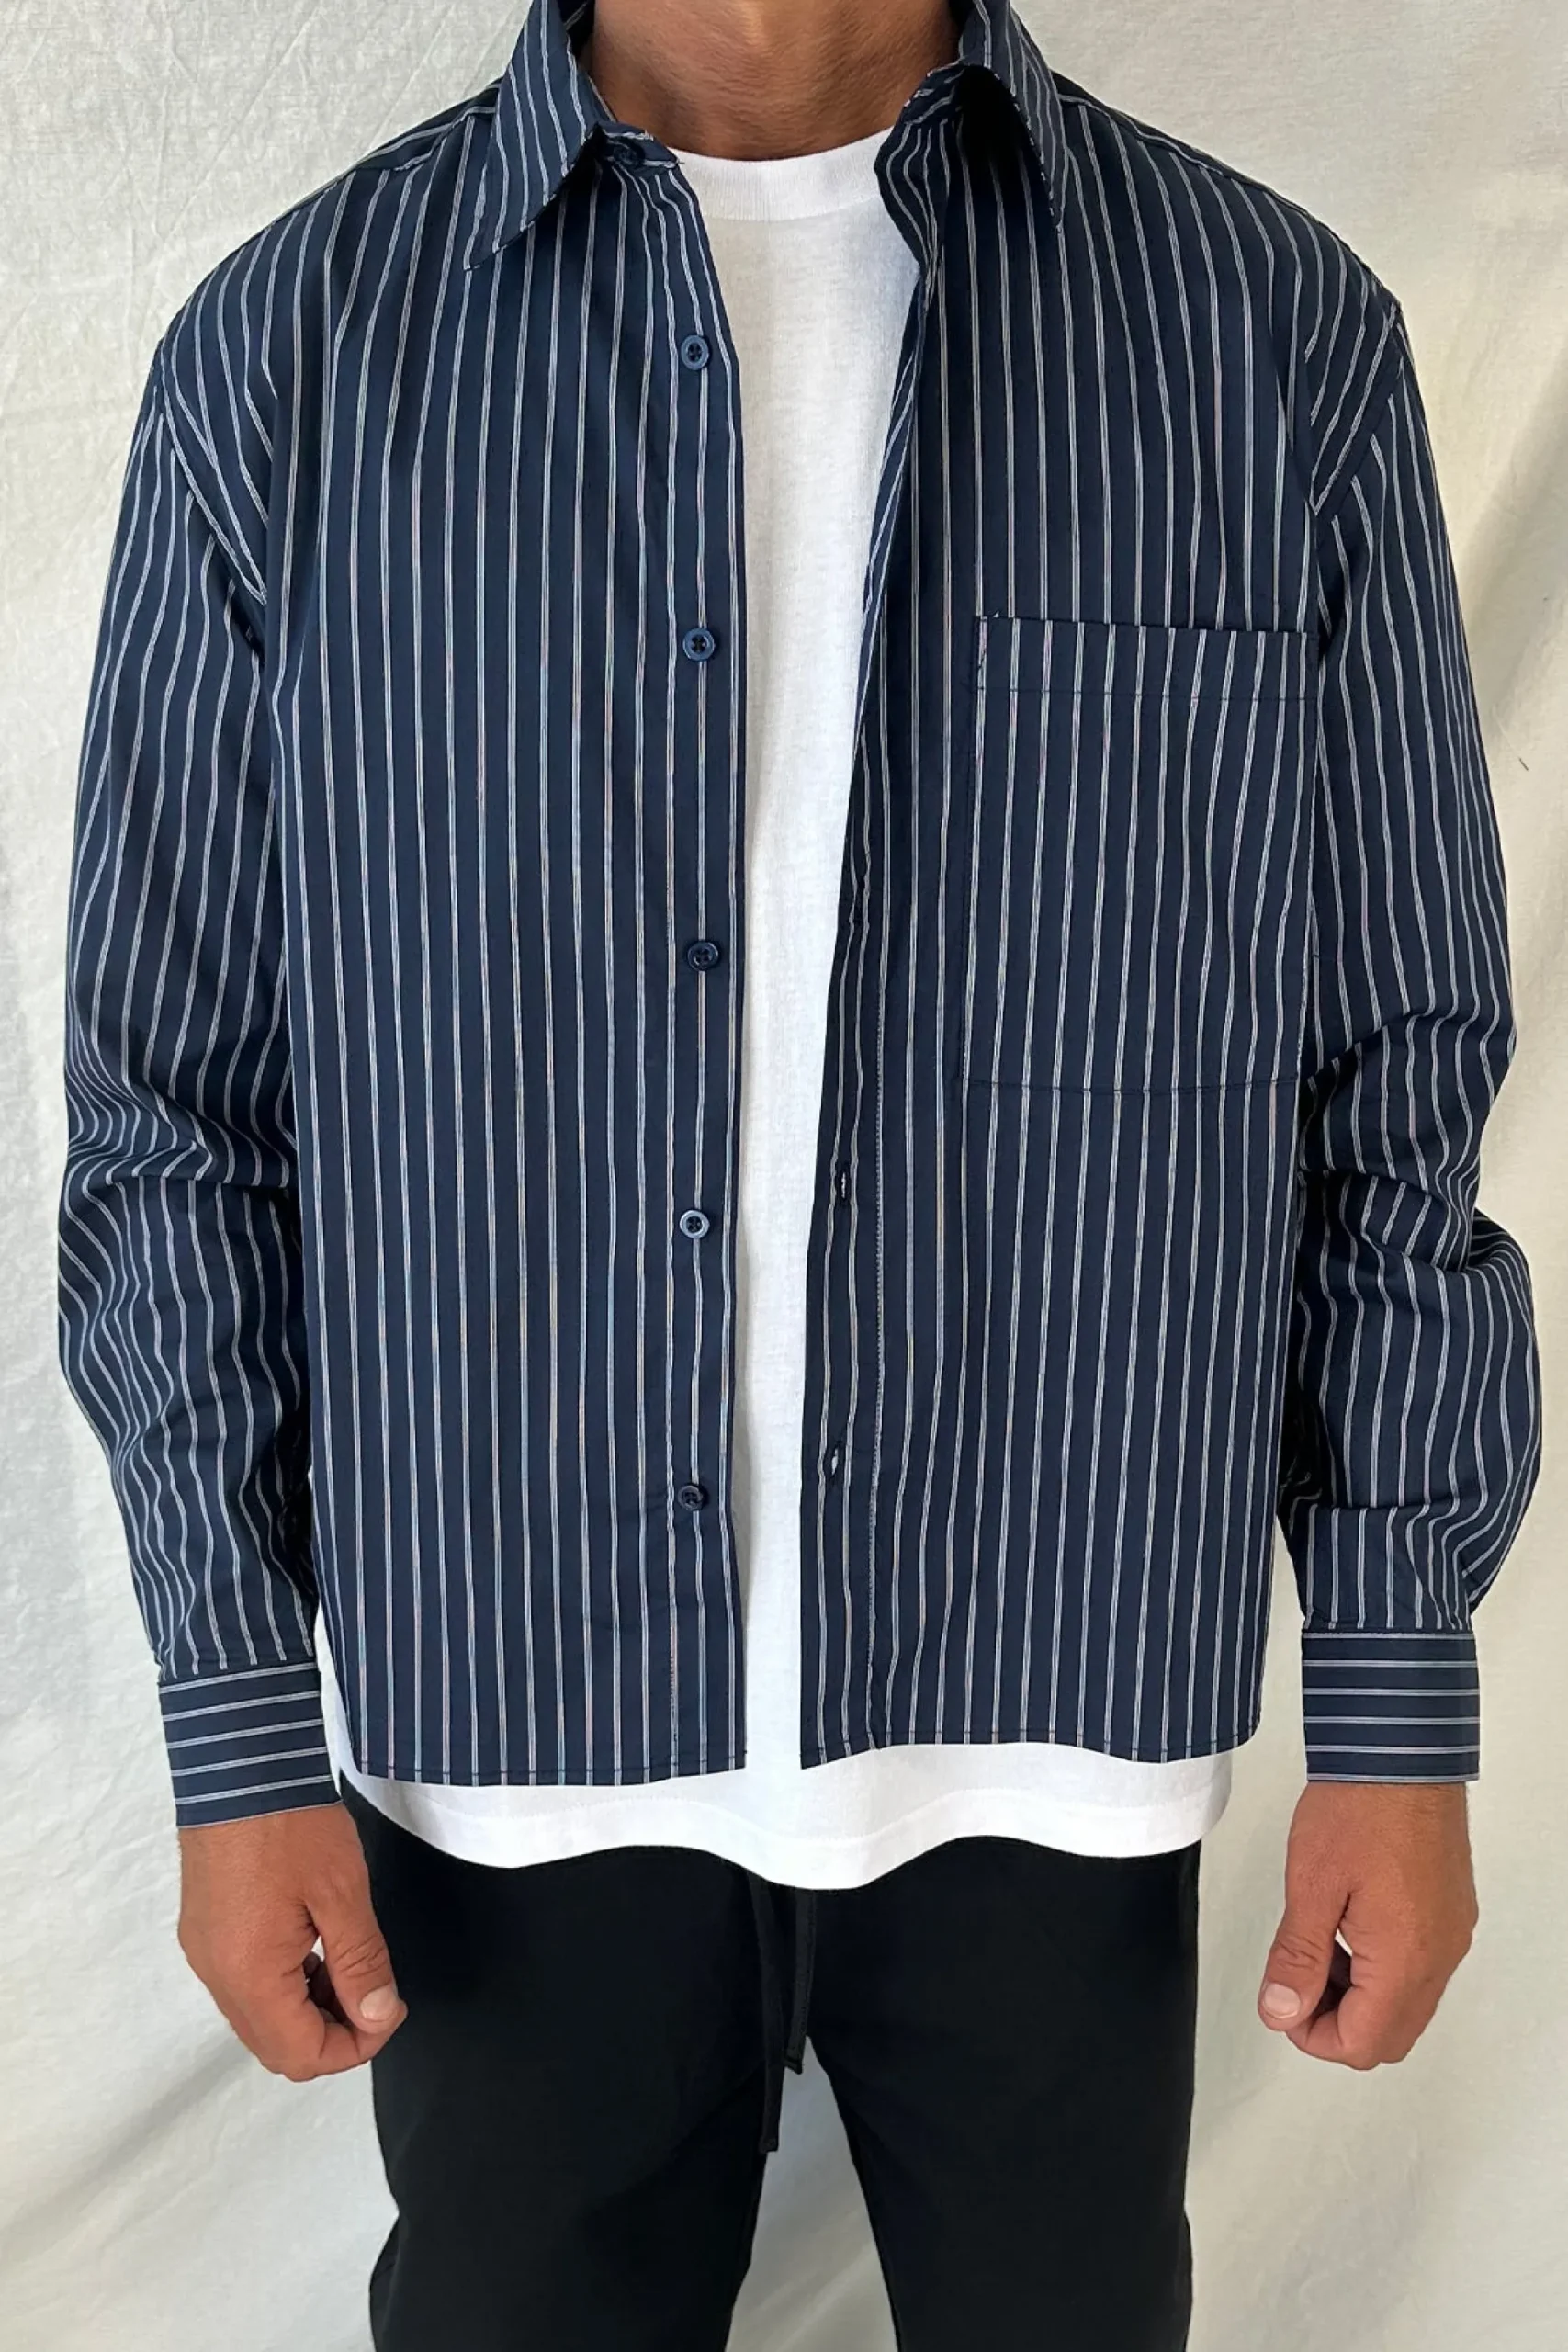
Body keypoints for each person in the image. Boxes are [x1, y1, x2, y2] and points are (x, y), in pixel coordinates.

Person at [57, 0, 1541, 2344]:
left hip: (1053, 1691)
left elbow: (1388, 1068)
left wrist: (1392, 1687)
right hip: (507, 1723)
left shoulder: (1264, 340)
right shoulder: (299, 354)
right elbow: (175, 1115)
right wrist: (237, 1719)